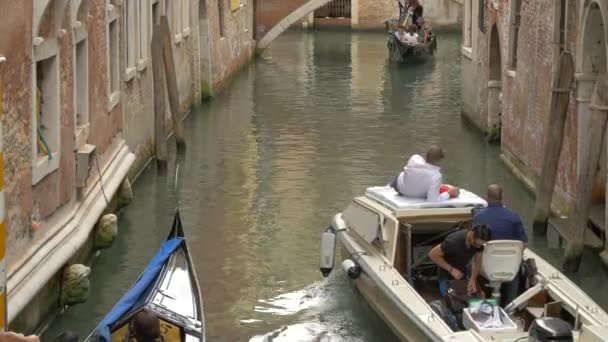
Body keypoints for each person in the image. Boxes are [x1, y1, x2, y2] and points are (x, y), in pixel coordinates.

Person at [473, 184, 527, 306]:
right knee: (515, 271)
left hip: (486, 269)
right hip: (510, 268)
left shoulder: (479, 217)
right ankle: (510, 305)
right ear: (502, 197)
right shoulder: (514, 216)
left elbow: (475, 243)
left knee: (470, 262)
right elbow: (524, 243)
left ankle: (480, 301)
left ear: (487, 197)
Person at [429, 224, 492, 297]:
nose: (478, 247)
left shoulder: (479, 244)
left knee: (479, 295)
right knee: (451, 296)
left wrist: (473, 279)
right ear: (472, 233)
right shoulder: (453, 242)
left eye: (481, 245)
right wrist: (451, 270)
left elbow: (478, 261)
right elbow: (432, 254)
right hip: (446, 276)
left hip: (463, 274)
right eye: (476, 244)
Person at [390, 145, 461, 201]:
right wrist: (449, 193)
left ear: (426, 156)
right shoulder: (436, 176)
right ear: (440, 160)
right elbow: (432, 200)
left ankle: (390, 185)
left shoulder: (414, 158)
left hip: (399, 188)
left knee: (402, 175)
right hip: (415, 195)